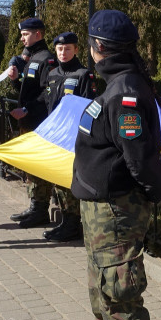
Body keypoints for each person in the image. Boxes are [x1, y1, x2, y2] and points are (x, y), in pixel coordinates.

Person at [68, 10, 161, 320]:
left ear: (99, 48)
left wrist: (147, 199)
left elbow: (140, 159)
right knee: (101, 293)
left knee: (120, 296)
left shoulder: (125, 91)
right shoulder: (114, 84)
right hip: (99, 211)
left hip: (116, 212)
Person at [42, 32, 97, 242]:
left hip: (73, 137)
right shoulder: (53, 74)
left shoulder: (84, 75)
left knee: (70, 179)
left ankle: (74, 223)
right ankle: (66, 220)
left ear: (76, 50)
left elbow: (89, 106)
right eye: (59, 49)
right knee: (59, 180)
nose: (63, 52)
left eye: (67, 49)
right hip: (56, 135)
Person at [6, 17, 57, 228]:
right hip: (28, 120)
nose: (22, 38)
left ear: (38, 34)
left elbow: (48, 92)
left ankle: (40, 210)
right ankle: (35, 205)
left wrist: (27, 109)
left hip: (39, 121)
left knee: (38, 167)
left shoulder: (46, 59)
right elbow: (29, 91)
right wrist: (16, 80)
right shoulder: (33, 58)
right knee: (30, 166)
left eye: (25, 34)